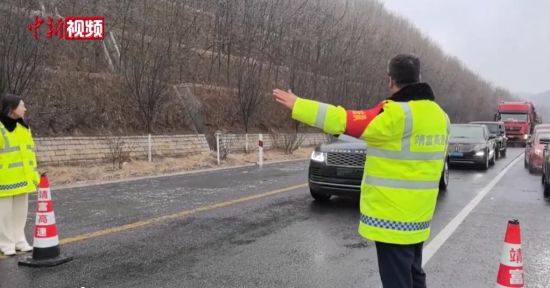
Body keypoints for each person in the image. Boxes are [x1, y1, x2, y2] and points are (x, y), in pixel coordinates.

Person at [272, 54, 449, 288]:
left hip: (393, 220)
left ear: (390, 81)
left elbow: (343, 120)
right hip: (420, 217)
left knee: (397, 281)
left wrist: (299, 105)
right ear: (419, 78)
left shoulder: (395, 115)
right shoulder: (440, 116)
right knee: (415, 275)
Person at [0, 93, 39, 256]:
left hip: (24, 177)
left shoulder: (24, 126)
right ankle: (5, 243)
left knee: (20, 212)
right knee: (4, 214)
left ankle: (19, 240)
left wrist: (34, 175)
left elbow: (30, 153)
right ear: (12, 108)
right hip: (5, 178)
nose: (25, 108)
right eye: (22, 105)